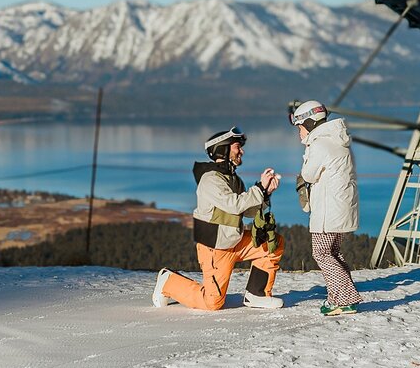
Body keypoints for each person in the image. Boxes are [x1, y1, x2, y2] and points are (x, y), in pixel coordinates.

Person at [152, 127, 285, 310]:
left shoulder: (233, 179)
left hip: (235, 241)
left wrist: (266, 194)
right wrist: (260, 189)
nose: (242, 151)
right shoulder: (210, 180)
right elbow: (234, 204)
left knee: (273, 243)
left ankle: (257, 294)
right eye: (238, 146)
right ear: (223, 149)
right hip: (215, 248)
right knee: (212, 302)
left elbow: (247, 211)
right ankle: (168, 281)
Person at [292, 100, 362, 316]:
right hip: (341, 209)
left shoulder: (320, 144)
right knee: (333, 252)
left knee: (321, 253)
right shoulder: (338, 141)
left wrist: (307, 152)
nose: (300, 133)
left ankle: (346, 298)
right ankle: (336, 299)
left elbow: (309, 174)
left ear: (310, 124)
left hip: (328, 212)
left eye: (300, 128)